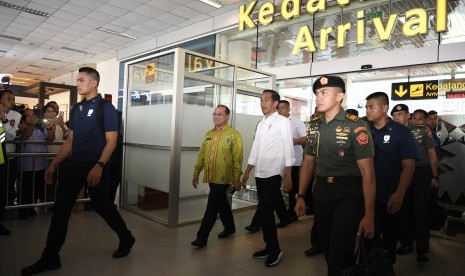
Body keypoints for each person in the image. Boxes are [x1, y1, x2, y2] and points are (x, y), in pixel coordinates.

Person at [21, 67, 135, 276]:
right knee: (61, 210)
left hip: (95, 164)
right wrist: (54, 163)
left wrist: (99, 166)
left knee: (103, 206)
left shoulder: (105, 108)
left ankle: (126, 237)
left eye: (81, 80)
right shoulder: (77, 109)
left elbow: (112, 141)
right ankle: (50, 257)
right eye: (78, 80)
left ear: (93, 83)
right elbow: (70, 141)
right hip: (74, 165)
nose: (78, 83)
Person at [295, 76, 375, 276]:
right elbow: (308, 163)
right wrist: (301, 195)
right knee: (327, 244)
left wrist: (369, 214)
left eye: (323, 93)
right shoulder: (314, 126)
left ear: (339, 96)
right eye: (316, 94)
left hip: (349, 191)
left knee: (341, 249)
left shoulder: (356, 126)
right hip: (322, 191)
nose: (318, 98)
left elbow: (368, 173)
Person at [241, 89, 295, 267]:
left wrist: (288, 174)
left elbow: (288, 147)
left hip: (274, 172)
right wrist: (247, 170)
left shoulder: (283, 122)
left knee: (265, 210)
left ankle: (275, 250)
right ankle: (269, 246)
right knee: (265, 212)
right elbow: (255, 147)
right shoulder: (261, 123)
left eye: (266, 100)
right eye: (261, 100)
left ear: (275, 103)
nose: (262, 103)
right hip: (260, 172)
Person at [365, 92, 417, 264]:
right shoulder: (364, 131)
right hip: (368, 196)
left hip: (391, 197)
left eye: (371, 107)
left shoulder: (401, 132)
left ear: (384, 108)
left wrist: (400, 193)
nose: (368, 110)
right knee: (368, 240)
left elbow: (409, 166)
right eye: (366, 107)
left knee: (388, 244)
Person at [190, 105, 243, 248]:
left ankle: (202, 237)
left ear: (227, 116)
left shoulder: (234, 135)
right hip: (211, 176)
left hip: (224, 178)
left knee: (212, 206)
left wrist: (237, 178)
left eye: (220, 114)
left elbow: (238, 158)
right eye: (214, 114)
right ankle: (230, 227)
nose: (216, 116)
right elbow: (201, 155)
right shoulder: (208, 134)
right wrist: (196, 172)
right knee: (221, 204)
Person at [391, 105, 438, 263]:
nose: (397, 118)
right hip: (401, 174)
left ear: (408, 116)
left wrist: (434, 176)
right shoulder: (392, 131)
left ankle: (422, 250)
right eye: (394, 115)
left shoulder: (421, 130)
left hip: (421, 174)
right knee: (403, 210)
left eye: (400, 114)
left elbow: (432, 154)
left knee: (421, 212)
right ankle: (406, 244)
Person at [16, 109, 53, 219]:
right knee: (25, 188)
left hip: (41, 164)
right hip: (26, 165)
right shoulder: (20, 128)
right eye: (28, 116)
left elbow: (51, 138)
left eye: (33, 115)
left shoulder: (41, 127)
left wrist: (50, 127)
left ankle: (31, 208)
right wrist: (31, 125)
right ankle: (23, 210)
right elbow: (23, 138)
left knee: (37, 187)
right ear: (23, 119)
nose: (32, 117)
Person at [277, 100, 307, 222]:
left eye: (282, 108)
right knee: (276, 185)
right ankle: (282, 212)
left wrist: (291, 141)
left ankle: (292, 212)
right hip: (278, 160)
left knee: (292, 186)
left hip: (293, 160)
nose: (280, 111)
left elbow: (305, 139)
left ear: (289, 110)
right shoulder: (275, 122)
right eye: (278, 108)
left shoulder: (297, 123)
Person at [0, 89, 14, 235]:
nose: (12, 102)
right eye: (8, 99)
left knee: (2, 192)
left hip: (2, 160)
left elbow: (9, 137)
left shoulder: (6, 117)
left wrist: (3, 120)